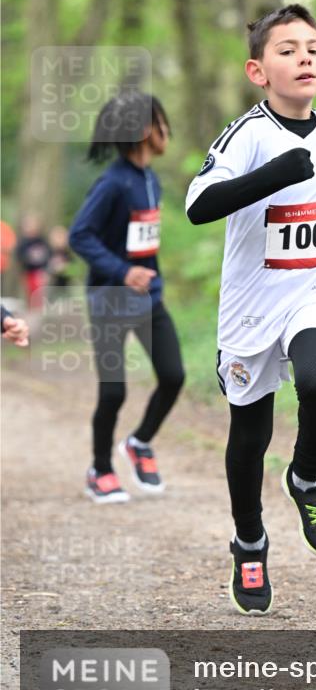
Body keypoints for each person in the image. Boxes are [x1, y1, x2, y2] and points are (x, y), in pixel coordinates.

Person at [186, 3, 316, 615]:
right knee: (249, 436)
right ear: (258, 72)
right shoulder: (248, 135)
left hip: (309, 291)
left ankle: (308, 478)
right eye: (287, 50)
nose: (303, 57)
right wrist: (275, 173)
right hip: (250, 311)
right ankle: (249, 542)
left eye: (311, 48)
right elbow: (199, 206)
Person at [69, 91, 185, 504]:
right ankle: (99, 469)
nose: (166, 130)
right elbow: (79, 235)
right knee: (114, 392)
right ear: (143, 131)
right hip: (110, 301)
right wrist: (122, 271)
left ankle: (139, 442)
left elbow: (142, 242)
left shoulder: (150, 178)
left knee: (173, 376)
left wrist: (146, 274)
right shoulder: (113, 183)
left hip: (148, 299)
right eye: (161, 122)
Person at [15, 214, 50, 309]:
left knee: (40, 294)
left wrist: (45, 269)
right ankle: (31, 311)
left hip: (40, 272)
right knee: (30, 294)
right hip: (28, 272)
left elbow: (48, 255)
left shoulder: (42, 240)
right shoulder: (23, 242)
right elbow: (19, 256)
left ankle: (39, 310)